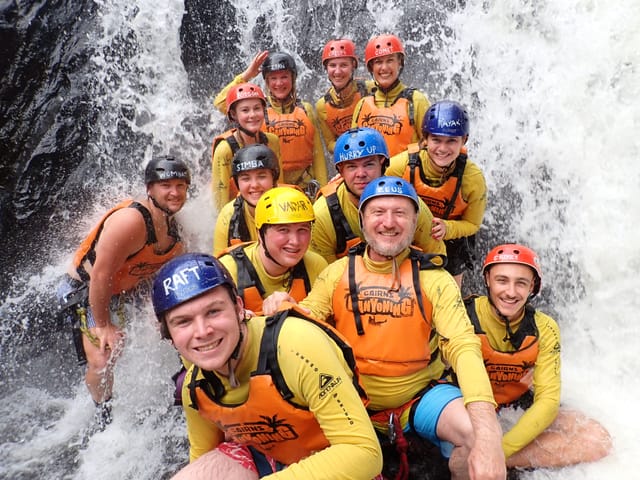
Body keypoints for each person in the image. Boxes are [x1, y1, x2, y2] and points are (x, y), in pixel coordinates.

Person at [273, 177, 506, 480]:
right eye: (378, 212)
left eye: (400, 213)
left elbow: (463, 347)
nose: (389, 222)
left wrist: (489, 438)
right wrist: (282, 307)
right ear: (363, 220)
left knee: (479, 436)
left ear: (414, 222)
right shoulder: (337, 273)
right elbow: (304, 323)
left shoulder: (435, 279)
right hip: (350, 402)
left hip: (419, 397)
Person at [151, 253, 383, 479]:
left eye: (213, 311)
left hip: (334, 460)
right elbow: (202, 460)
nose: (202, 332)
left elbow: (363, 453)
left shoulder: (297, 347)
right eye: (183, 322)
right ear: (169, 334)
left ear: (239, 308)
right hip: (268, 457)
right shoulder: (195, 388)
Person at [57, 156, 190, 426]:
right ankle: (103, 417)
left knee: (179, 326)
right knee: (104, 358)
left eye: (180, 185)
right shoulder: (131, 220)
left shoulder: (176, 227)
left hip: (130, 289)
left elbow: (160, 271)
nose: (174, 192)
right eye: (165, 185)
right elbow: (100, 275)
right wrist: (103, 325)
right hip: (85, 290)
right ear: (150, 189)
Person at [464, 243, 612, 469]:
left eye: (521, 283)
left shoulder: (545, 327)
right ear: (487, 279)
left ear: (532, 286)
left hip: (516, 399)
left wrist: (498, 452)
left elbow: (548, 401)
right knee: (460, 451)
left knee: (597, 439)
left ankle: (502, 462)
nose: (511, 292)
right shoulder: (463, 314)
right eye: (502, 280)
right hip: (469, 406)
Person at [386, 100, 487, 288]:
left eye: (451, 141)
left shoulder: (472, 179)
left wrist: (447, 228)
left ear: (463, 140)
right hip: (410, 234)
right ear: (425, 139)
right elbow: (373, 182)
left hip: (450, 241)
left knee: (451, 290)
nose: (442, 149)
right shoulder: (402, 165)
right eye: (436, 140)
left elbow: (473, 224)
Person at [310, 127, 445, 265]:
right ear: (341, 172)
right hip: (349, 282)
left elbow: (437, 258)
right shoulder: (323, 214)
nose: (361, 174)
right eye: (352, 167)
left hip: (404, 280)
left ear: (382, 164)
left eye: (368, 165)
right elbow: (323, 276)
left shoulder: (410, 205)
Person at [214, 51, 327, 196]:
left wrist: (322, 192)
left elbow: (317, 155)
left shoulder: (306, 109)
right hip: (267, 187)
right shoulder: (257, 111)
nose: (279, 83)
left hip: (304, 187)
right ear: (266, 82)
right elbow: (220, 104)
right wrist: (246, 76)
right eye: (273, 78)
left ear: (293, 79)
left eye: (284, 77)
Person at [218, 186, 327, 316]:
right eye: (283, 230)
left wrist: (294, 309)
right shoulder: (227, 271)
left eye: (302, 230)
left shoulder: (316, 266)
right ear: (260, 234)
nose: (295, 241)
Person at [351, 34, 431, 157]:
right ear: (371, 67)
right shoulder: (362, 104)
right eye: (378, 62)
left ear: (399, 62)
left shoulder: (416, 100)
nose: (384, 68)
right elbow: (353, 148)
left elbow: (431, 145)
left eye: (390, 60)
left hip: (405, 174)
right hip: (371, 176)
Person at [211, 82, 281, 211]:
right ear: (233, 114)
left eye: (257, 108)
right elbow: (220, 200)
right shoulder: (225, 150)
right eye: (245, 110)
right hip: (238, 213)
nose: (252, 115)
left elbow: (278, 184)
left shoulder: (272, 141)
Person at [213, 144, 280, 256]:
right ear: (237, 183)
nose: (254, 185)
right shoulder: (228, 216)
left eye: (262, 176)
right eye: (245, 178)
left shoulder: (292, 205)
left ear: (273, 179)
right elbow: (219, 264)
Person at [315, 38, 373, 154]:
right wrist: (351, 145)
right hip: (348, 156)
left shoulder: (370, 89)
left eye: (343, 65)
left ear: (353, 66)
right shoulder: (322, 106)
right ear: (326, 69)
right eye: (332, 65)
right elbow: (330, 144)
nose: (337, 72)